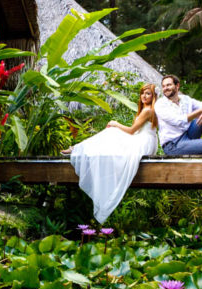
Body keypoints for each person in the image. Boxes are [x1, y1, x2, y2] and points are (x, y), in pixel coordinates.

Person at [63, 83, 159, 223]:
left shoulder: (148, 111)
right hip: (146, 140)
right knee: (112, 137)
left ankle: (77, 149)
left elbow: (132, 131)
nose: (144, 96)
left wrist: (115, 123)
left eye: (148, 93)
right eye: (142, 93)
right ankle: (78, 149)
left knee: (112, 131)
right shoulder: (145, 109)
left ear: (153, 96)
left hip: (143, 142)